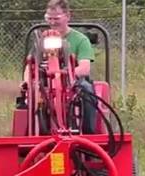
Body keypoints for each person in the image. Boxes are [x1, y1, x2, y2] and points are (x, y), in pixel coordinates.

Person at [33, 0, 98, 134]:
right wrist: (28, 81)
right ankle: (31, 134)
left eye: (56, 18)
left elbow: (85, 68)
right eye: (49, 18)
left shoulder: (80, 40)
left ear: (67, 16)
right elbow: (31, 64)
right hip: (46, 84)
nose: (52, 22)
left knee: (87, 91)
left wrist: (65, 74)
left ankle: (88, 133)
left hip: (73, 83)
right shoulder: (42, 41)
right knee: (28, 96)